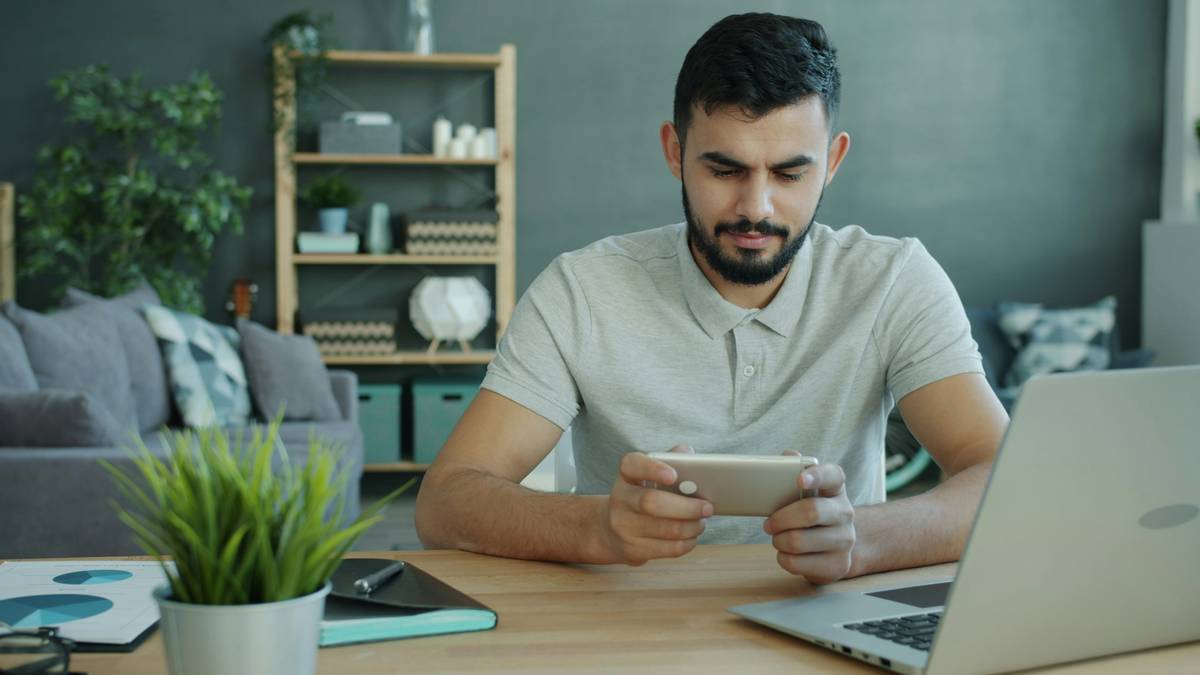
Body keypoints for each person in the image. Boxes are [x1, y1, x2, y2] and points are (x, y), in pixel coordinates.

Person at [415, 12, 1009, 584]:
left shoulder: (894, 280)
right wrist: (598, 528)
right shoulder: (581, 290)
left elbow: (1002, 479)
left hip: (826, 615)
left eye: (789, 174)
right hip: (622, 621)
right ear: (675, 152)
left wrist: (863, 540)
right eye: (724, 170)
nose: (756, 208)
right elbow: (445, 502)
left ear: (832, 161)